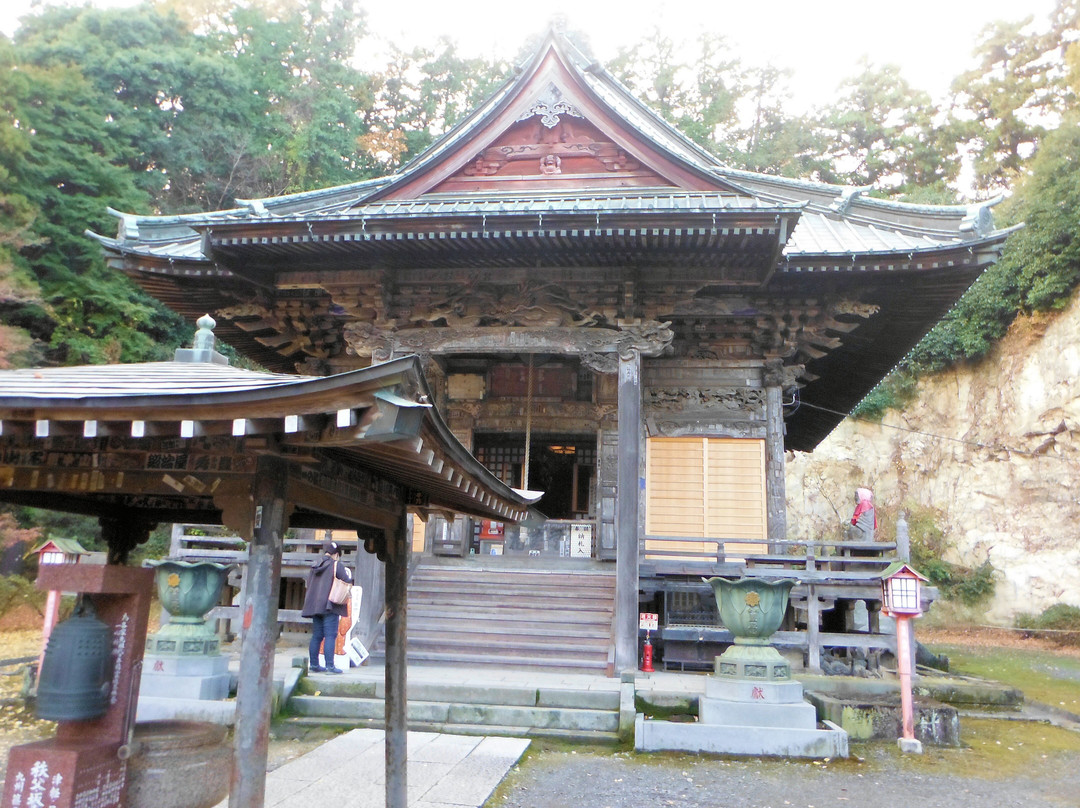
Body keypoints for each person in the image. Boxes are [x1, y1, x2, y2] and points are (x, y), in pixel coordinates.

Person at [301, 540, 352, 673]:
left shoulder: (315, 565)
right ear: (336, 554)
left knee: (317, 636)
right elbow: (347, 581)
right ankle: (330, 666)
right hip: (330, 605)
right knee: (330, 635)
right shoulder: (336, 565)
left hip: (315, 606)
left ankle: (314, 665)